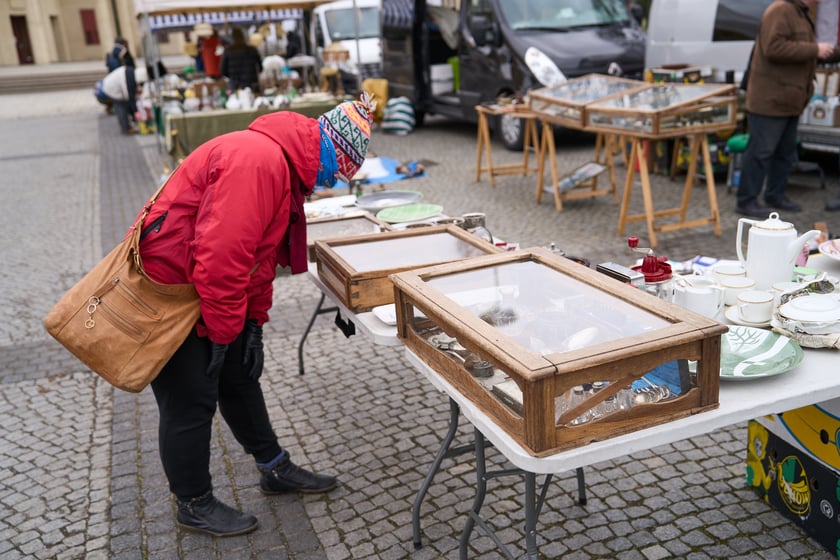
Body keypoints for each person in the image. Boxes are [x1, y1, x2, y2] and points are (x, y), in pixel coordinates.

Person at [130, 93, 376, 537]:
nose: (329, 184)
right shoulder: (259, 164)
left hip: (199, 282)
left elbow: (259, 258)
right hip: (171, 288)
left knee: (239, 374)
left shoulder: (281, 165)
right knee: (190, 398)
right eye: (335, 174)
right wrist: (223, 330)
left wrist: (252, 325)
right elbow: (221, 257)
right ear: (327, 151)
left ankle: (273, 466)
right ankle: (194, 502)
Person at [736, 0, 839, 218]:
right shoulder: (780, 10)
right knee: (761, 152)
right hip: (770, 99)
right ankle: (746, 200)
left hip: (790, 100)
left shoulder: (800, 13)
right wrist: (815, 49)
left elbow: (812, 53)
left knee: (785, 153)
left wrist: (829, 52)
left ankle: (775, 195)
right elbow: (773, 47)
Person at [101, 64, 145, 135]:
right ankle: (126, 129)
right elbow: (130, 98)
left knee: (124, 105)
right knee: (121, 108)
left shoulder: (132, 73)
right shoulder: (130, 79)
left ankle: (127, 126)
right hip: (112, 89)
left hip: (112, 85)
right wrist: (136, 113)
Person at [221, 27, 263, 92]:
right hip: (252, 84)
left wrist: (232, 77)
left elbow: (223, 70)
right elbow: (260, 68)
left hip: (235, 85)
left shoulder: (228, 51)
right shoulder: (252, 50)